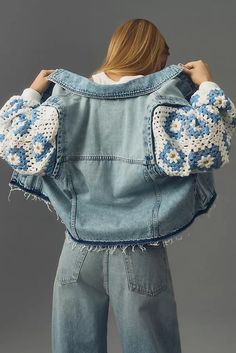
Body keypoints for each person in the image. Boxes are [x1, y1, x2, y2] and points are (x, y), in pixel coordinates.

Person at [1, 18, 235, 353]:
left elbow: (13, 142)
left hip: (77, 250)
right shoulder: (160, 103)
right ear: (155, 57)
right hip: (139, 250)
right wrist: (207, 85)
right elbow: (209, 144)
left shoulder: (65, 101)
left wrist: (32, 91)